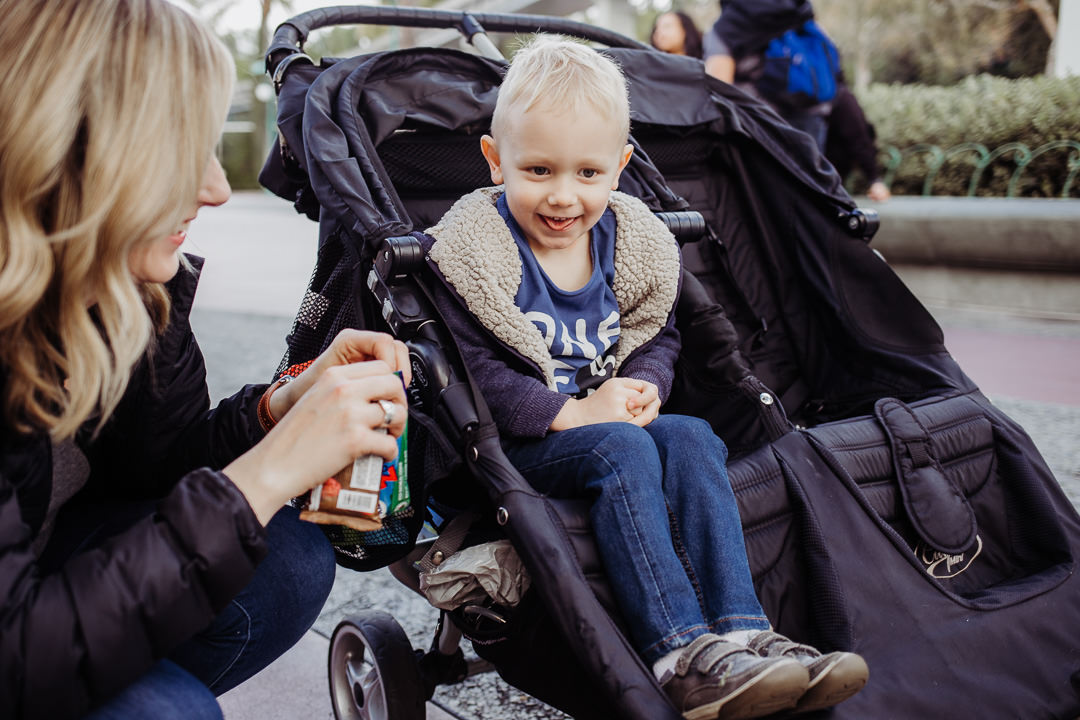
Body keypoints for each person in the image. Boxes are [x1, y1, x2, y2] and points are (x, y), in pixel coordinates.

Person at [420, 35, 868, 719]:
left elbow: (656, 332)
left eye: (588, 174)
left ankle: (742, 635)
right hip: (521, 441)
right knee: (623, 447)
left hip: (603, 421)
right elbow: (473, 368)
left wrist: (644, 382)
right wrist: (568, 414)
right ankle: (678, 654)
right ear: (494, 159)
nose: (563, 196)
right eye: (537, 171)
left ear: (621, 168)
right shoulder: (477, 256)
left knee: (691, 437)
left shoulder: (627, 245)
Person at [0, 1, 410, 719]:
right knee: (168, 711)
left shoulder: (122, 288)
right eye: (181, 154)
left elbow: (163, 462)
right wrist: (269, 472)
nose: (217, 189)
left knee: (284, 555)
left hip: (34, 559)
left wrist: (274, 410)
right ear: (66, 150)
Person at [703, 0, 832, 151]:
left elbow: (718, 90)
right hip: (811, 116)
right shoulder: (801, 12)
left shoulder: (727, 27)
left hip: (759, 124)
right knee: (808, 173)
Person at [825, 83, 892, 202]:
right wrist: (874, 179)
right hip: (825, 173)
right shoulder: (837, 95)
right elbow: (858, 138)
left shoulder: (833, 95)